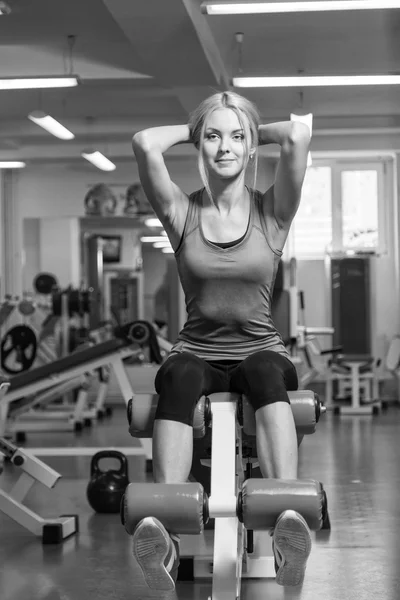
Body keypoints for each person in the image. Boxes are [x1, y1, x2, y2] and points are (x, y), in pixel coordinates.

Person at [130, 90, 311, 591]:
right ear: (197, 146)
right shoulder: (181, 213)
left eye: (237, 137)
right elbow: (145, 143)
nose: (225, 147)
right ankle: (164, 535)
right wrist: (203, 126)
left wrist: (246, 128)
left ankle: (283, 527)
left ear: (252, 146)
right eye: (212, 137)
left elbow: (297, 134)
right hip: (196, 353)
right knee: (180, 373)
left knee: (264, 371)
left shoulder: (272, 212)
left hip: (261, 352)